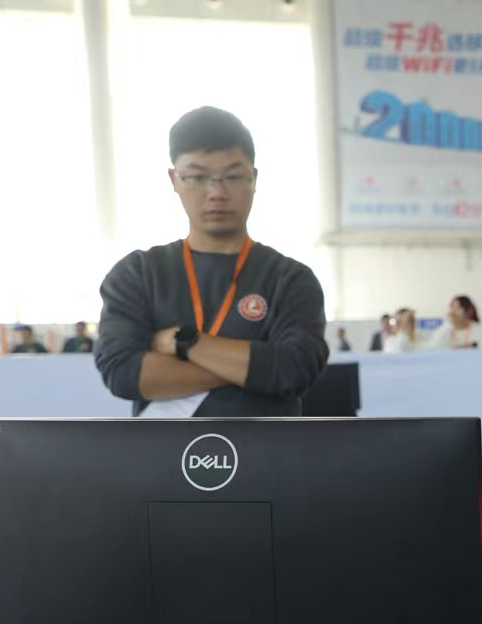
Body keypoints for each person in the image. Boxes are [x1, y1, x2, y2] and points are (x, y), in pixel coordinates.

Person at [94, 106, 329, 417]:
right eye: (197, 177)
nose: (217, 192)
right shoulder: (138, 274)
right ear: (174, 179)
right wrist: (255, 369)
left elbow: (294, 370)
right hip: (165, 446)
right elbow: (122, 373)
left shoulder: (290, 279)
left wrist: (184, 343)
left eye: (233, 176)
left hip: (267, 446)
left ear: (254, 178)